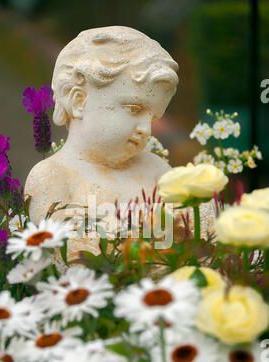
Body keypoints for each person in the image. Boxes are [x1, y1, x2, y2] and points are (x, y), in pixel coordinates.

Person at [24, 26, 180, 258]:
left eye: (154, 117)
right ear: (79, 101)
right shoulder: (52, 178)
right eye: (134, 108)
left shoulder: (159, 172)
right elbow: (67, 259)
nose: (146, 130)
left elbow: (194, 244)